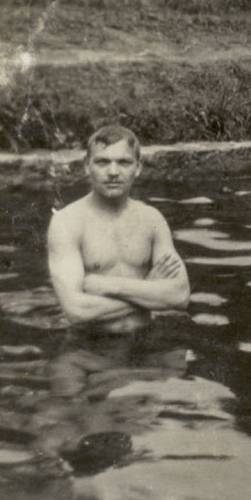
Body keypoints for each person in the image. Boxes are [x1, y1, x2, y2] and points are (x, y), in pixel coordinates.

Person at [46, 126, 190, 393]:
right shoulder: (67, 222)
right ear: (86, 166)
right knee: (65, 405)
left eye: (123, 162)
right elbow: (76, 311)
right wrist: (150, 290)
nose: (113, 172)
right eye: (102, 162)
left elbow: (180, 295)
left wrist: (104, 285)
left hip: (148, 341)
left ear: (138, 167)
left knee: (176, 384)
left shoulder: (152, 219)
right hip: (87, 346)